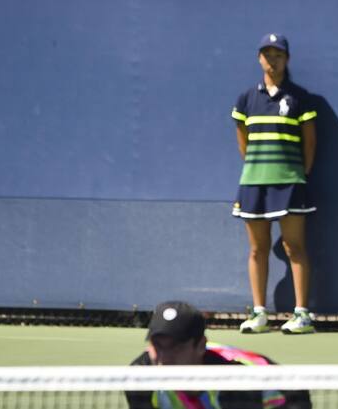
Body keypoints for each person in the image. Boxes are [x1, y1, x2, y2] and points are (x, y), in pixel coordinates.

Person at [230, 33, 317, 334]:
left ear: (287, 59)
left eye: (278, 54)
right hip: (254, 183)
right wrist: (257, 168)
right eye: (267, 55)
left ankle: (303, 315)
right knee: (257, 249)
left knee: (295, 247)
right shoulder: (246, 99)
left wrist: (297, 172)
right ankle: (259, 314)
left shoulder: (299, 98)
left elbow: (309, 145)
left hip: (290, 183)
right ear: (259, 59)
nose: (272, 60)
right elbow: (243, 141)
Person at [125, 300, 311, 409]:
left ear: (200, 346)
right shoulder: (139, 378)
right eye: (157, 345)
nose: (164, 357)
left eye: (176, 347)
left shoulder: (241, 383)